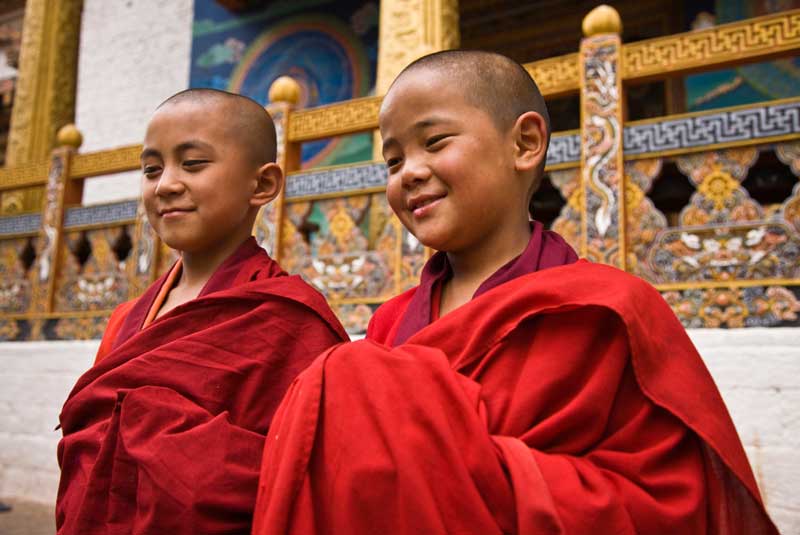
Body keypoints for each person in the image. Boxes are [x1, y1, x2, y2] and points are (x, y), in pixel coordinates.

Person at [252, 51, 778, 534]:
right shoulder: (391, 324)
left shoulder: (608, 309)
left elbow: (669, 504)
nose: (409, 172)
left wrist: (475, 472)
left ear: (525, 143)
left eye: (434, 143)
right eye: (392, 161)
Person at [56, 89, 348, 535]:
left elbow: (307, 473)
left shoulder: (289, 319)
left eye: (192, 164)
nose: (166, 184)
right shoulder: (128, 318)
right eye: (152, 169)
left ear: (263, 184)